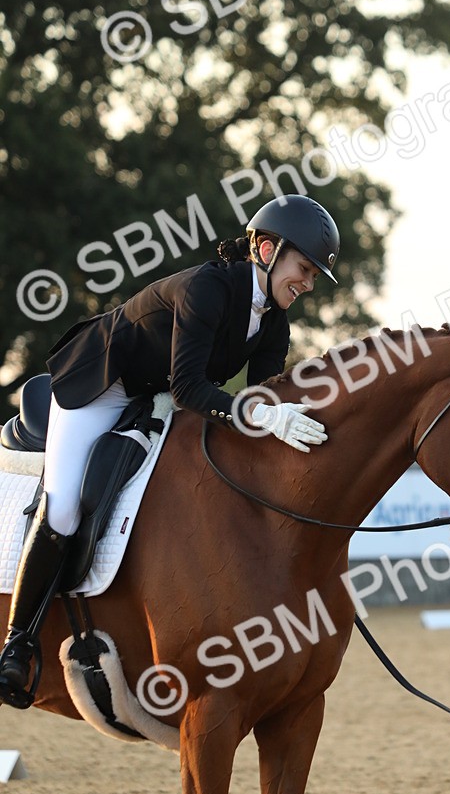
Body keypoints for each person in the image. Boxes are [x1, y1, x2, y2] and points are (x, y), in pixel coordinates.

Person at [0, 195, 340, 707]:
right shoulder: (207, 289)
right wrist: (262, 415)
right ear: (267, 250)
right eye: (305, 269)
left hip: (152, 397)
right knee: (65, 506)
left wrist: (298, 417)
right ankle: (17, 647)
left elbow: (268, 393)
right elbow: (190, 389)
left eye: (315, 275)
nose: (308, 284)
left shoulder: (273, 320)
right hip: (100, 386)